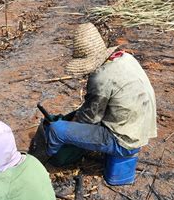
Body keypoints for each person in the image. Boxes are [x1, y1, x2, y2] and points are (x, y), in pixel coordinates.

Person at [39, 22, 157, 166]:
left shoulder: (101, 78)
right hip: (140, 130)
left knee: (57, 130)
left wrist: (68, 126)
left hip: (124, 142)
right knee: (78, 115)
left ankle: (47, 161)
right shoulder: (125, 58)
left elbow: (88, 119)